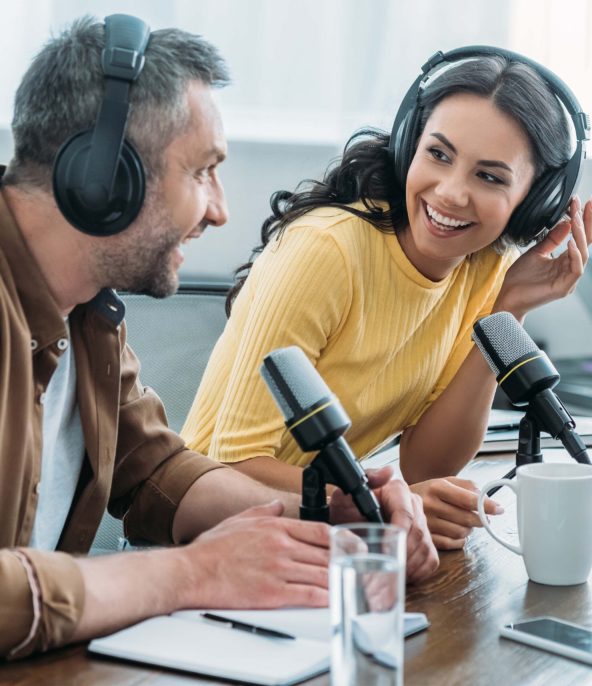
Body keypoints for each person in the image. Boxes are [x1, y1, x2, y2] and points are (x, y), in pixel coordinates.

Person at [0, 16, 439, 660]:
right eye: (204, 170)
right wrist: (192, 573)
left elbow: (153, 470)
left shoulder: (88, 313)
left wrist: (318, 517)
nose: (219, 210)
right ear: (103, 181)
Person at [182, 47, 592, 551]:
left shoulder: (482, 268)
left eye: (489, 176)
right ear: (408, 145)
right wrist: (387, 505)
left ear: (535, 201)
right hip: (214, 534)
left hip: (334, 539)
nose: (449, 193)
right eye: (438, 154)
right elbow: (234, 462)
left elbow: (427, 465)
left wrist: (506, 312)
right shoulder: (328, 250)